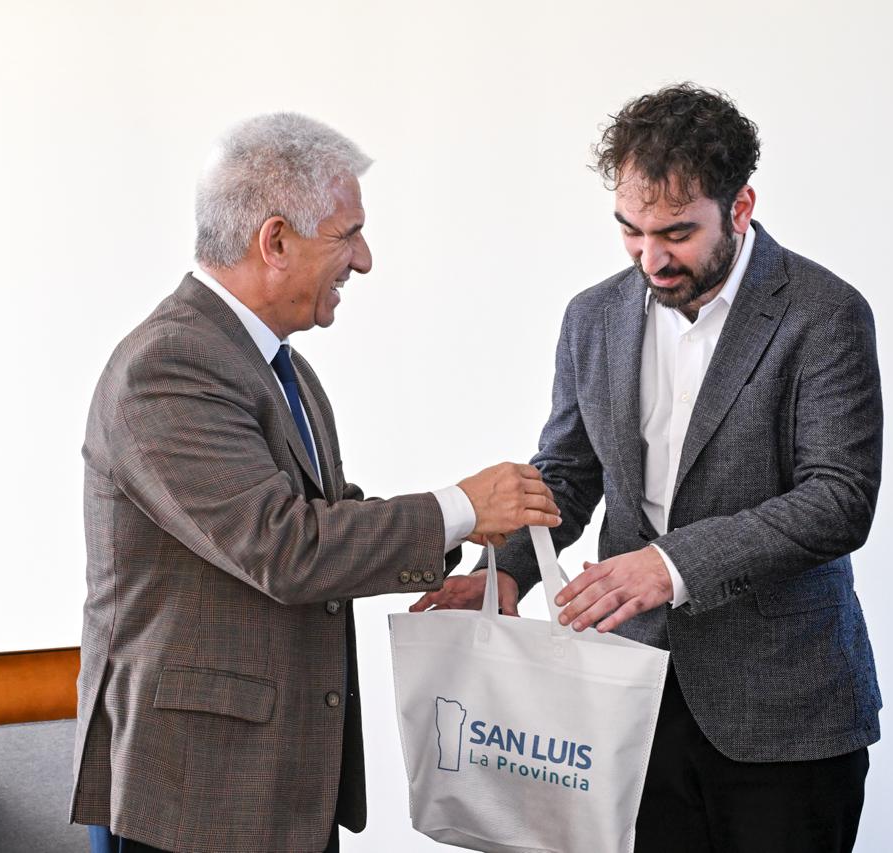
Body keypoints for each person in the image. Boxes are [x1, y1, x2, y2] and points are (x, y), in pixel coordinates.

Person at [70, 112, 560, 853]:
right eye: (348, 235)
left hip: (279, 785)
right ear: (275, 241)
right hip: (203, 796)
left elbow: (327, 519)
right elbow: (286, 547)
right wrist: (461, 507)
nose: (364, 260)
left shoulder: (282, 367)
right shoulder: (168, 365)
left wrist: (469, 530)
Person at [414, 84, 883, 852]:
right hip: (628, 697)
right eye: (630, 231)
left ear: (740, 207)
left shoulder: (825, 312)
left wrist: (670, 566)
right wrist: (508, 573)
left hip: (785, 707)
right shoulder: (591, 316)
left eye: (676, 233)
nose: (650, 258)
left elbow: (839, 499)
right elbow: (568, 472)